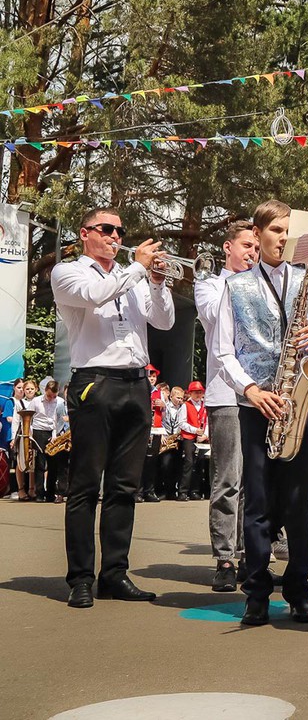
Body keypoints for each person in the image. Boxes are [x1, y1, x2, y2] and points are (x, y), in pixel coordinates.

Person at [213, 199, 308, 627]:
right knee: (259, 502)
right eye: (276, 231)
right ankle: (257, 593)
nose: (283, 238)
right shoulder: (235, 286)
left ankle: (300, 590)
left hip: (300, 401)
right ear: (258, 234)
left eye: (288, 231)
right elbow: (222, 350)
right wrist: (250, 390)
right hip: (258, 402)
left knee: (300, 503)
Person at [50, 207, 175, 608]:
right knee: (86, 485)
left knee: (125, 486)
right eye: (107, 229)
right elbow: (95, 295)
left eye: (120, 230)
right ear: (85, 233)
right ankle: (81, 578)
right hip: (94, 382)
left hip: (136, 383)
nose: (116, 235)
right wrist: (138, 269)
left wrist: (156, 281)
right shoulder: (68, 272)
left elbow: (165, 321)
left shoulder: (133, 276)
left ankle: (115, 574)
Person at [194, 219, 260, 590]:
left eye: (255, 247)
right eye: (246, 246)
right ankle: (224, 557)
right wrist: (241, 284)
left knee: (255, 480)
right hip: (225, 393)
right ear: (227, 247)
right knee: (227, 480)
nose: (252, 253)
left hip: (259, 394)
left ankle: (252, 554)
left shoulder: (257, 282)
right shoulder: (209, 284)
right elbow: (215, 317)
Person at [30, 379, 68, 502]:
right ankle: (39, 493)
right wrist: (30, 434)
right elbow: (29, 418)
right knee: (40, 464)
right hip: (39, 431)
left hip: (54, 433)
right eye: (49, 395)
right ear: (45, 390)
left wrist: (55, 435)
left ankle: (51, 494)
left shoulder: (60, 402)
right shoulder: (36, 401)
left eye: (54, 396)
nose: (51, 398)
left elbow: (59, 421)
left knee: (53, 464)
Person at [178, 382, 209, 502]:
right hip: (189, 437)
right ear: (190, 393)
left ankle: (195, 491)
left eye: (200, 392)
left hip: (201, 439)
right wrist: (195, 430)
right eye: (195, 392)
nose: (198, 394)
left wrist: (205, 434)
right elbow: (182, 423)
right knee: (189, 462)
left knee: (200, 463)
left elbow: (208, 421)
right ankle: (183, 491)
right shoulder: (186, 405)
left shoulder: (205, 405)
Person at [138, 369, 164, 503]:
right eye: (150, 376)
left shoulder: (159, 392)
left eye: (154, 377)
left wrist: (163, 406)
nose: (152, 379)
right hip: (143, 429)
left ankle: (150, 491)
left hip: (156, 430)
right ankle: (138, 491)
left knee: (152, 462)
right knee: (139, 461)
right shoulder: (140, 390)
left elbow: (165, 414)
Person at [12, 380, 39, 502]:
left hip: (34, 435)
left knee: (32, 461)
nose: (29, 391)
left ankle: (32, 488)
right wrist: (13, 438)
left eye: (31, 389)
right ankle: (20, 489)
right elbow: (16, 421)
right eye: (27, 389)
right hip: (22, 434)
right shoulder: (19, 403)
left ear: (36, 389)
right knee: (21, 461)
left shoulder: (38, 402)